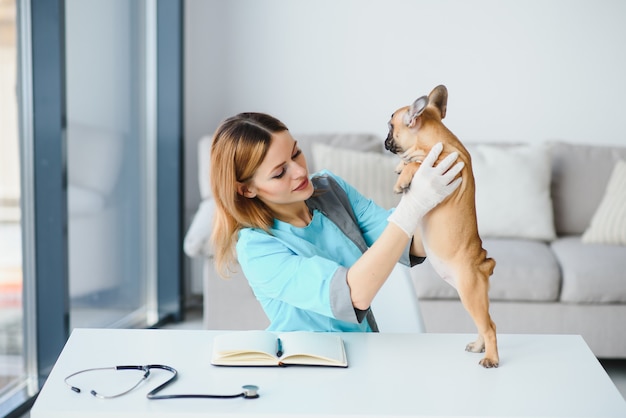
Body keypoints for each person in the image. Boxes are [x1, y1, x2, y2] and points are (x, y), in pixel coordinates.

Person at [209, 112, 463, 332]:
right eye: (279, 172)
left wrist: (439, 194)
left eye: (296, 153)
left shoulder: (329, 189)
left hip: (363, 348)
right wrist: (413, 205)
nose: (299, 171)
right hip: (307, 364)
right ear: (246, 190)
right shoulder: (256, 247)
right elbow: (353, 295)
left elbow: (407, 242)